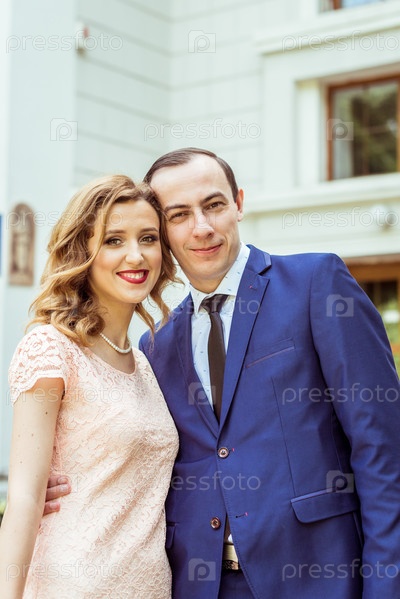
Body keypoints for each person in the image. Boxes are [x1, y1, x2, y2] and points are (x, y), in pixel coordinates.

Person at [45, 148, 400, 598]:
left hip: (318, 578)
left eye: (213, 205)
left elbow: (383, 450)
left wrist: (385, 587)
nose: (202, 227)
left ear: (238, 204)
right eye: (179, 215)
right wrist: (59, 482)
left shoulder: (316, 283)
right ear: (162, 232)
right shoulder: (155, 346)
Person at [0, 175, 179, 599]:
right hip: (74, 584)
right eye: (114, 240)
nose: (136, 255)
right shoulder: (51, 348)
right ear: (83, 251)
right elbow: (25, 498)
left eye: (148, 238)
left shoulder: (144, 363)